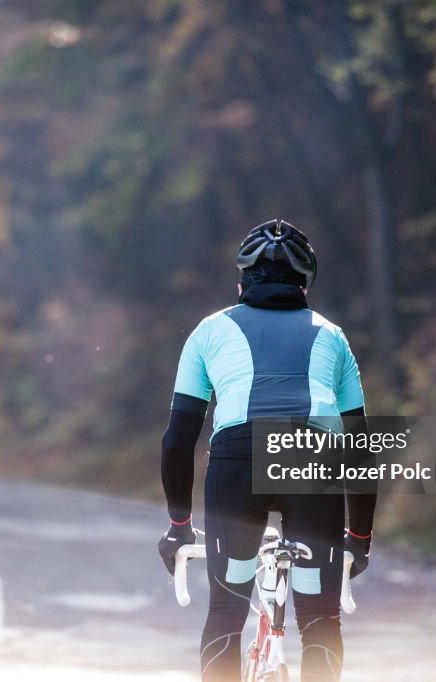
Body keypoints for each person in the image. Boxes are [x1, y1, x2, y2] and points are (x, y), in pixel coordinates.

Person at [157, 219, 377, 682]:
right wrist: (359, 537)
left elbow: (179, 440)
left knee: (225, 613)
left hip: (238, 462)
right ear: (305, 284)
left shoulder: (208, 331)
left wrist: (179, 526)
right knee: (320, 620)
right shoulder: (332, 336)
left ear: (241, 282)